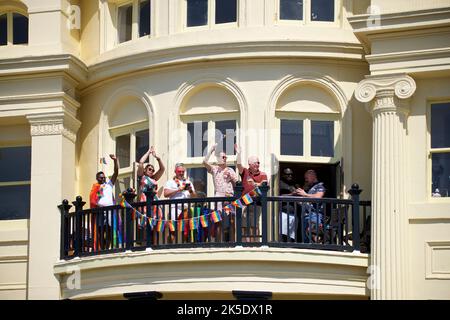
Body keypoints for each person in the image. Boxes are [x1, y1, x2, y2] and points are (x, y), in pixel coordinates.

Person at [203, 143, 238, 242]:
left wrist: (231, 179)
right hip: (218, 196)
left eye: (225, 157)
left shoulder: (230, 170)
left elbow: (237, 186)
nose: (225, 158)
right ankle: (219, 243)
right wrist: (211, 150)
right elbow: (204, 162)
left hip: (229, 197)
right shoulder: (214, 169)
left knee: (231, 220)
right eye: (223, 157)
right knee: (218, 221)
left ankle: (232, 243)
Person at [235, 144, 268, 242]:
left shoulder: (263, 174)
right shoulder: (245, 172)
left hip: (256, 203)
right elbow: (238, 165)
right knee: (244, 225)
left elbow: (264, 186)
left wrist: (255, 184)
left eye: (258, 162)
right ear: (250, 164)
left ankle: (255, 243)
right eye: (255, 163)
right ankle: (246, 244)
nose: (257, 164)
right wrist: (239, 153)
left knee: (254, 225)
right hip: (245, 202)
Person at [89, 154, 119, 250]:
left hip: (110, 211)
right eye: (101, 177)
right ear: (97, 178)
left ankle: (107, 247)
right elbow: (93, 200)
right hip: (100, 212)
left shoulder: (109, 184)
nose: (103, 179)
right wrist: (97, 205)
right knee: (100, 230)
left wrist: (115, 160)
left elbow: (116, 172)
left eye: (104, 177)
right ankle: (102, 248)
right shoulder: (96, 187)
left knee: (110, 229)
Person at [136, 146, 165, 244]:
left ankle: (155, 244)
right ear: (145, 170)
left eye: (152, 170)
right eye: (149, 169)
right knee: (145, 222)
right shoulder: (142, 177)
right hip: (145, 201)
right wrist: (148, 152)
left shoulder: (154, 179)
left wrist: (158, 158)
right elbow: (140, 163)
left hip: (155, 203)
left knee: (156, 223)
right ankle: (145, 244)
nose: (151, 171)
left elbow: (162, 169)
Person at [163, 163, 197, 242]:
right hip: (174, 208)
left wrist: (190, 190)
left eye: (183, 171)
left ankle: (186, 248)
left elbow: (194, 196)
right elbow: (165, 194)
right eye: (179, 171)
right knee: (173, 230)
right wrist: (178, 189)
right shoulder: (170, 182)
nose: (181, 173)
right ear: (175, 171)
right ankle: (170, 248)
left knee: (186, 230)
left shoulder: (188, 182)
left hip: (186, 208)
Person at [294, 169, 325, 243]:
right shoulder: (309, 187)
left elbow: (318, 197)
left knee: (313, 237)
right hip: (305, 215)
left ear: (313, 176)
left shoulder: (320, 186)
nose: (305, 180)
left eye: (306, 178)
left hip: (314, 215)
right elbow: (308, 200)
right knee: (306, 239)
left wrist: (305, 194)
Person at [279, 168, 297, 242]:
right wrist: (292, 194)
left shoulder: (294, 184)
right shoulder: (279, 183)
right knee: (283, 235)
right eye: (288, 174)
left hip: (294, 214)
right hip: (284, 213)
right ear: (283, 175)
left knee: (292, 237)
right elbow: (278, 195)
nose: (290, 175)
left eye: (291, 174)